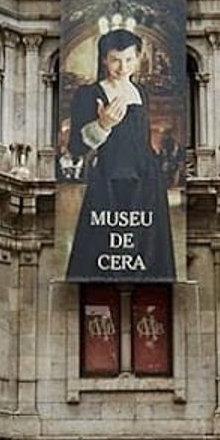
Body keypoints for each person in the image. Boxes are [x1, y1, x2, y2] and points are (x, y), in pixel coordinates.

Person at [65, 27, 174, 280]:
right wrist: (103, 125)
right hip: (109, 180)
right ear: (104, 59)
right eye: (115, 59)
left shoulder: (142, 93)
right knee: (103, 247)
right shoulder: (88, 94)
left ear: (137, 59)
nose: (122, 66)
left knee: (149, 253)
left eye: (128, 59)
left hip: (147, 181)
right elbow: (76, 147)